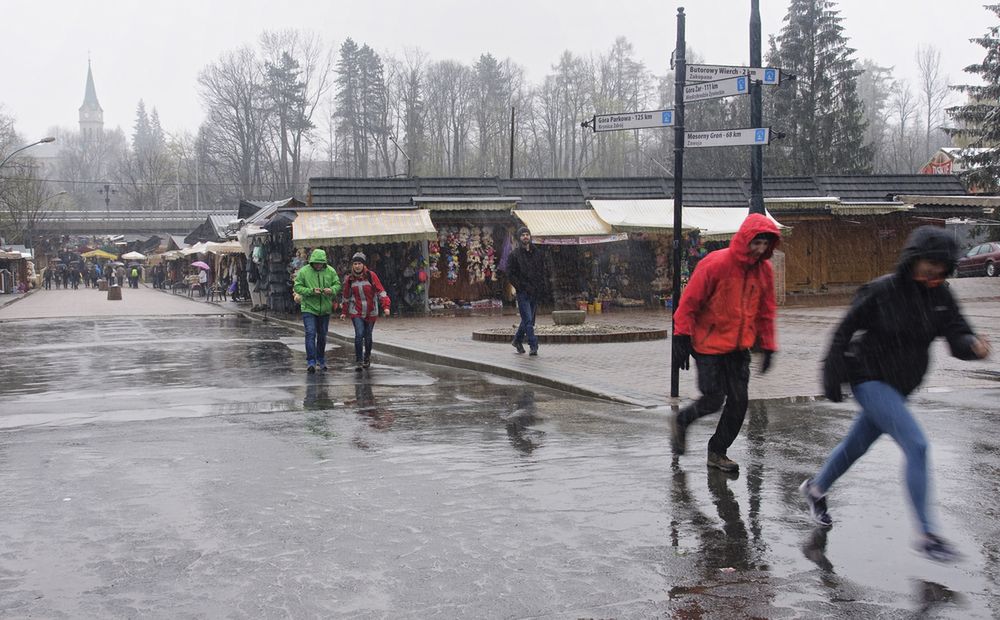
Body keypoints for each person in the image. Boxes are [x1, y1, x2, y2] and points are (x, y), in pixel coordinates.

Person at [800, 225, 991, 562]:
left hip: (901, 386)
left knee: (856, 445)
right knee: (916, 445)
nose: (934, 272)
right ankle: (928, 533)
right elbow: (845, 330)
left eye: (941, 266)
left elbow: (957, 334)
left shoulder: (941, 297)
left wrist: (973, 347)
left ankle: (815, 489)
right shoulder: (882, 290)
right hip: (868, 378)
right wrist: (830, 374)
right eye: (929, 264)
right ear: (914, 259)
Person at [670, 213, 781, 472]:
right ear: (745, 240)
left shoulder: (764, 270)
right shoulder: (715, 264)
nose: (760, 249)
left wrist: (768, 346)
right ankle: (683, 421)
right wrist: (681, 337)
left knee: (739, 401)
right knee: (713, 399)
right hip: (708, 346)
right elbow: (688, 304)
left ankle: (718, 452)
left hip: (738, 347)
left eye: (765, 244)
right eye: (756, 243)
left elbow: (766, 311)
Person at [293, 248, 342, 373]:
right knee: (310, 333)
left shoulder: (330, 271)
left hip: (325, 309)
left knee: (322, 335)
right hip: (308, 308)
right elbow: (297, 287)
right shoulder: (304, 271)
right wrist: (310, 291)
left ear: (324, 262)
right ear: (312, 262)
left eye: (320, 263)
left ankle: (321, 359)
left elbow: (337, 285)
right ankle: (311, 361)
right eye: (316, 263)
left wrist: (331, 290)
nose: (318, 265)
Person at [340, 252, 390, 372]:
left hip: (371, 311)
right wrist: (344, 312)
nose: (357, 266)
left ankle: (367, 357)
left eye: (359, 263)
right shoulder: (349, 279)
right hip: (356, 311)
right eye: (355, 264)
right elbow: (346, 296)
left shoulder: (371, 276)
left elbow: (381, 291)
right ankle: (359, 360)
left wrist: (386, 306)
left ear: (363, 265)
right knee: (359, 335)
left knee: (368, 336)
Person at [505, 226, 547, 356]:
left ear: (530, 236)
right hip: (523, 292)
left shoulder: (538, 253)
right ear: (519, 237)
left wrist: (540, 286)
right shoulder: (514, 255)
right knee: (528, 320)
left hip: (535, 291)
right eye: (523, 235)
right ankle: (533, 345)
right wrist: (520, 286)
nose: (525, 237)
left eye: (527, 234)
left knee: (528, 320)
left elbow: (542, 271)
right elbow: (510, 274)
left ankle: (517, 340)